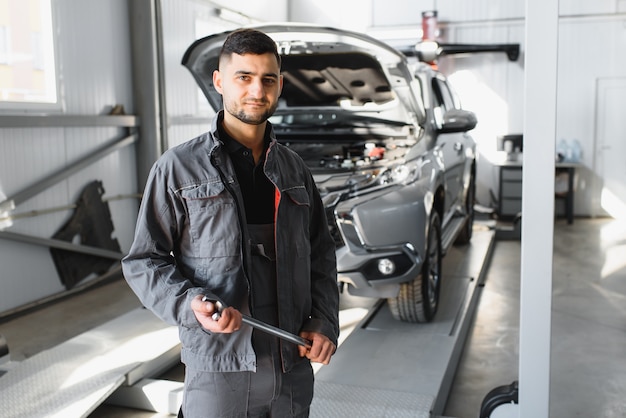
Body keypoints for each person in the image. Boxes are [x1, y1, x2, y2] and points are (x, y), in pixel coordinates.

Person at [121, 28, 340, 418]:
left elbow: (321, 255)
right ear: (219, 82)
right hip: (217, 366)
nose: (257, 90)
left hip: (290, 364)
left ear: (280, 85)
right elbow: (144, 261)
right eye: (244, 77)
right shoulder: (178, 168)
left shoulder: (295, 170)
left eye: (267, 79)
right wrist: (189, 303)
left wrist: (323, 322)